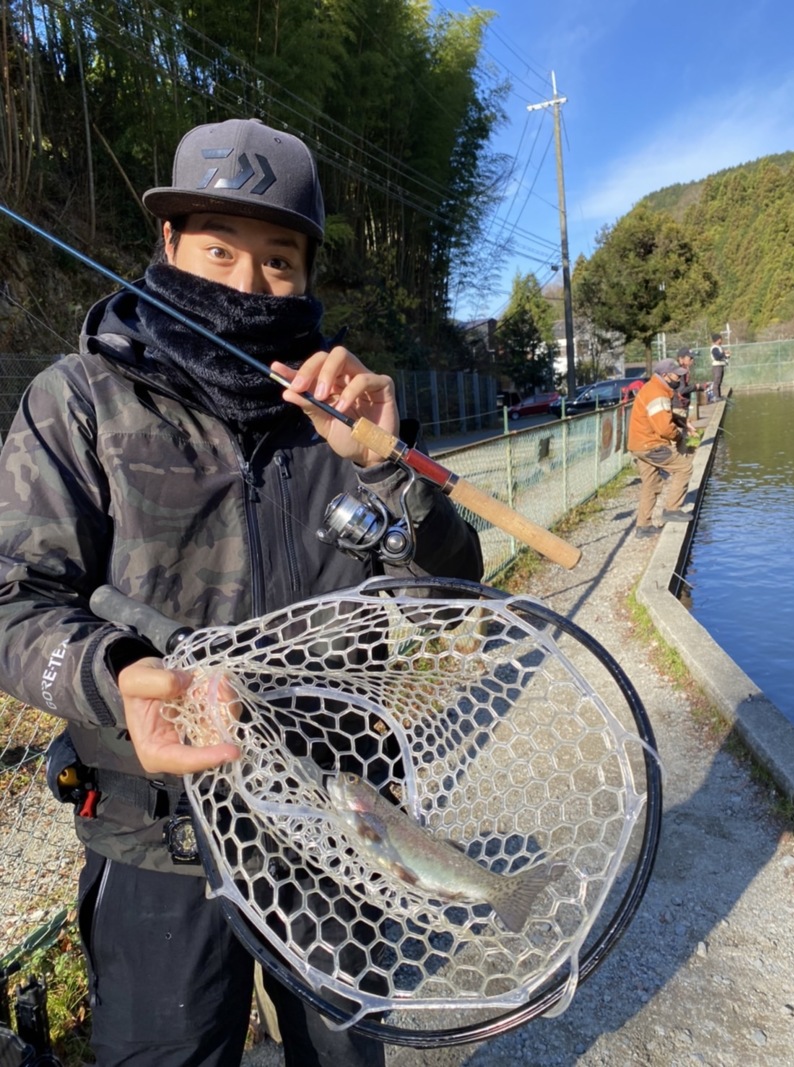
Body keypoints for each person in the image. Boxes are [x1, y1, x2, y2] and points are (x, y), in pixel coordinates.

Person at [0, 118, 483, 1067]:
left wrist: (393, 474)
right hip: (153, 833)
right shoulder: (79, 401)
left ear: (306, 280)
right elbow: (13, 602)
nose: (246, 284)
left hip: (336, 828)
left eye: (278, 262)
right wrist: (114, 677)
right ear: (169, 248)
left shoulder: (348, 417)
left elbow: (447, 600)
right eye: (218, 250)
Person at [627, 358, 696, 539]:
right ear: (665, 375)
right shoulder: (658, 393)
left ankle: (643, 526)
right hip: (651, 445)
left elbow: (662, 414)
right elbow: (664, 428)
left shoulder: (652, 388)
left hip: (638, 445)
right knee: (684, 468)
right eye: (676, 375)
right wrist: (680, 437)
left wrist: (681, 421)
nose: (679, 379)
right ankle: (672, 510)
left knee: (651, 483)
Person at [710, 331, 729, 401]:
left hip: (720, 366)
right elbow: (717, 357)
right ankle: (715, 396)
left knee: (719, 381)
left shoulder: (719, 347)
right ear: (717, 340)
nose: (721, 340)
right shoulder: (714, 348)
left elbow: (721, 356)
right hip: (717, 366)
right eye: (720, 339)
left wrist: (726, 356)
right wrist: (724, 353)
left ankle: (719, 395)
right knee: (716, 381)